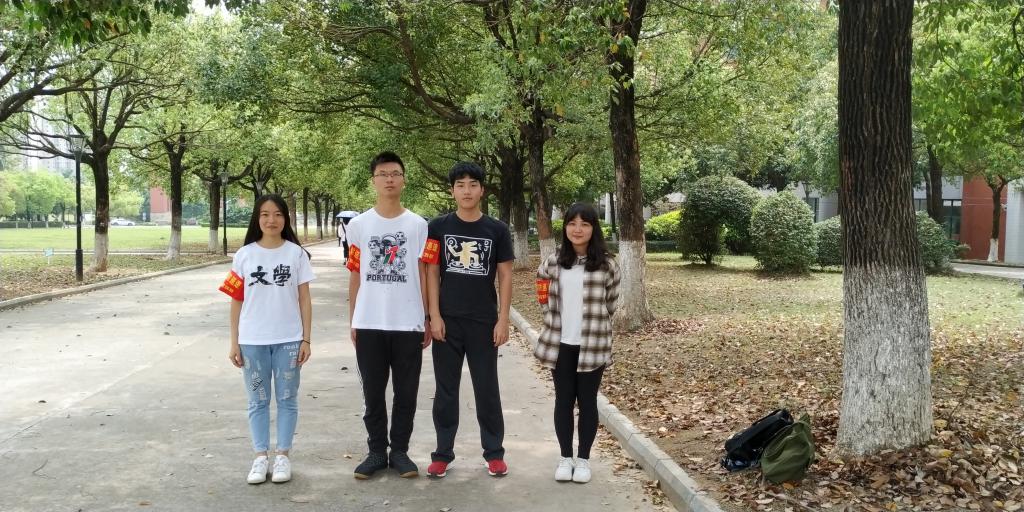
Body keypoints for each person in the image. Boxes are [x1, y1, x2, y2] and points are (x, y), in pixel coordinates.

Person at [423, 162, 513, 478]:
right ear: (452, 191)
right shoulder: (437, 227)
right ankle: (442, 454)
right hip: (447, 322)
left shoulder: (497, 230)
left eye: (473, 184)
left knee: (486, 388)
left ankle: (494, 453)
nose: (467, 191)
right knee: (446, 390)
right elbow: (431, 271)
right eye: (460, 185)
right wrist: (433, 315)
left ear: (482, 190)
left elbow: (505, 274)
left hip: (483, 322)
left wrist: (503, 319)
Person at [346, 151, 432, 479]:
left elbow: (424, 273)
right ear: (374, 181)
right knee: (373, 392)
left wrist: (426, 317)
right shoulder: (358, 226)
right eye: (383, 174)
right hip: (369, 322)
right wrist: (353, 319)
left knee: (406, 392)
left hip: (408, 322)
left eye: (395, 173)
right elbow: (355, 274)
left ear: (404, 180)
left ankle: (400, 452)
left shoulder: (418, 226)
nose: (389, 179)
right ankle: (375, 452)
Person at [219, 194, 314, 485]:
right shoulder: (244, 255)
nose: (271, 220)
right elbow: (236, 300)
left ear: (286, 218)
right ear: (257, 219)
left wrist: (306, 339)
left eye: (277, 214)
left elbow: (304, 299)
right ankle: (260, 456)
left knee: (287, 399)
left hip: (289, 340)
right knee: (257, 400)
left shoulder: (297, 254)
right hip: (253, 341)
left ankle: (283, 455)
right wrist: (234, 341)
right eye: (265, 214)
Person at [533, 202, 620, 484]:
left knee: (587, 401)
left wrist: (595, 323)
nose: (577, 229)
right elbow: (542, 291)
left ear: (594, 228)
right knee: (563, 400)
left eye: (584, 223)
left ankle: (583, 460)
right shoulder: (553, 262)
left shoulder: (607, 264)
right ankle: (565, 458)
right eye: (572, 223)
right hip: (560, 344)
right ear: (565, 227)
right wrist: (551, 317)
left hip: (592, 344)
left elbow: (611, 303)